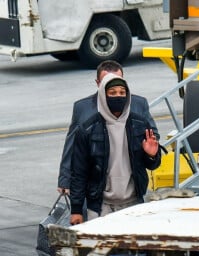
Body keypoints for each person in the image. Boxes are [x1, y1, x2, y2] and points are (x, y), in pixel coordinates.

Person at [69, 73, 161, 225]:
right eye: (112, 93)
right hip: (100, 207)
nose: (118, 96)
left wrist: (152, 155)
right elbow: (78, 172)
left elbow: (153, 165)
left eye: (122, 92)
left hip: (134, 204)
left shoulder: (140, 124)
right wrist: (76, 210)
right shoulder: (87, 129)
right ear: (103, 96)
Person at [57, 60, 156, 194]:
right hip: (95, 181)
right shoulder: (83, 108)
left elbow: (152, 135)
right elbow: (72, 145)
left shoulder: (138, 104)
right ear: (98, 83)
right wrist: (65, 179)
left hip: (129, 182)